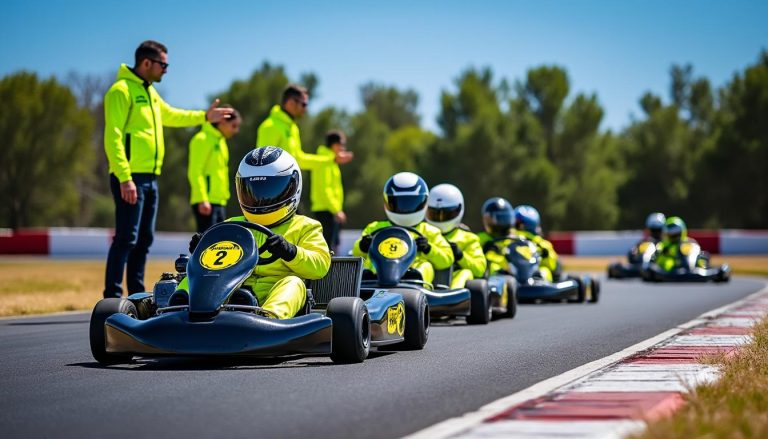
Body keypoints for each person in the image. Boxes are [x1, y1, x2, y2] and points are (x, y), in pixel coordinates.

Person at [103, 40, 233, 298]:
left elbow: (173, 115)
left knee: (144, 240)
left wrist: (204, 117)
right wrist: (124, 177)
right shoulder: (121, 91)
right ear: (147, 62)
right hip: (131, 178)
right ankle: (112, 297)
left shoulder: (150, 93)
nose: (166, 69)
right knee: (126, 239)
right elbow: (113, 136)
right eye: (164, 64)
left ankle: (136, 295)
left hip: (151, 179)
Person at [183, 147, 331, 319]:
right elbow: (215, 263)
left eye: (269, 190)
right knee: (194, 276)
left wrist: (290, 252)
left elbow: (320, 266)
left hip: (275, 291)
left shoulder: (306, 226)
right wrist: (202, 249)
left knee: (294, 282)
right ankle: (179, 305)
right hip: (229, 290)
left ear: (293, 186)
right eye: (253, 190)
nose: (260, 199)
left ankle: (269, 319)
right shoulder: (231, 225)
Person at [352, 172, 454, 285]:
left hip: (414, 282)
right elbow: (355, 253)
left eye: (410, 202)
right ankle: (368, 280)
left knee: (426, 266)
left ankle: (414, 279)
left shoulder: (429, 231)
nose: (405, 208)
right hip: (378, 278)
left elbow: (447, 259)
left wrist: (429, 249)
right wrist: (362, 246)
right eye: (400, 203)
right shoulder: (375, 227)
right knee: (370, 263)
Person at [256, 84, 353, 170]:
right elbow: (262, 165)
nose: (305, 109)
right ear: (291, 102)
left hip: (288, 189)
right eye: (303, 104)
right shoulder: (270, 126)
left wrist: (333, 159)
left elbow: (299, 160)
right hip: (274, 190)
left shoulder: (293, 128)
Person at [187, 105, 241, 233]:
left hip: (219, 201)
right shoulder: (201, 139)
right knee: (206, 244)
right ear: (222, 122)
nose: (236, 130)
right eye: (233, 126)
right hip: (206, 203)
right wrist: (202, 199)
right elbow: (195, 171)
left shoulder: (221, 142)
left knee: (218, 243)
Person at [425, 184, 486, 289]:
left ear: (459, 210)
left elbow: (480, 269)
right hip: (427, 281)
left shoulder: (469, 238)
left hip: (453, 281)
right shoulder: (424, 233)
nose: (440, 218)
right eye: (435, 214)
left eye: (446, 214)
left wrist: (460, 256)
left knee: (465, 273)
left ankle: (452, 299)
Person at [310, 130, 349, 253]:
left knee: (333, 247)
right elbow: (325, 188)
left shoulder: (330, 161)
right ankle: (329, 273)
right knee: (328, 249)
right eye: (341, 144)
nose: (343, 148)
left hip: (330, 210)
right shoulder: (324, 161)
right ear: (333, 145)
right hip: (326, 211)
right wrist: (336, 210)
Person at [512, 205, 560, 281]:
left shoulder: (541, 244)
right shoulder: (543, 244)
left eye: (517, 223)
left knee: (543, 272)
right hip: (520, 273)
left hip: (525, 272)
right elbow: (554, 267)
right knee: (544, 271)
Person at [477, 197, 516, 275]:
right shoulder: (480, 238)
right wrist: (484, 250)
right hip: (492, 278)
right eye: (496, 218)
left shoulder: (515, 238)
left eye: (503, 218)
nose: (500, 222)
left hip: (516, 275)